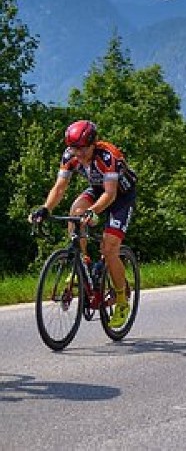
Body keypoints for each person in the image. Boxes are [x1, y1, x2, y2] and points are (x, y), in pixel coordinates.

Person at [30, 120, 138, 328]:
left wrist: (94, 211)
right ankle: (83, 261)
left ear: (92, 144)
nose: (77, 153)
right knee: (75, 212)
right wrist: (45, 208)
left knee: (109, 248)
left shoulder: (108, 155)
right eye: (73, 148)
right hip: (98, 190)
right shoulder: (70, 155)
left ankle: (122, 298)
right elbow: (60, 187)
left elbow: (110, 193)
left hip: (121, 196)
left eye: (81, 149)